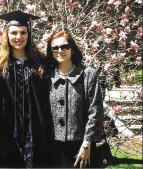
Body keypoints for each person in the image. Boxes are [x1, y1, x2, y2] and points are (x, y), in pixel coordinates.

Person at [0, 10, 52, 168]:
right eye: (14, 33)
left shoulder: (40, 62)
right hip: (7, 132)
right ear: (7, 35)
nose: (18, 37)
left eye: (23, 32)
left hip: (36, 131)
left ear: (28, 34)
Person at [46, 31, 103, 168]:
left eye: (64, 46)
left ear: (72, 48)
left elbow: (95, 110)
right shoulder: (46, 76)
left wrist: (87, 143)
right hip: (53, 147)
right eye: (55, 48)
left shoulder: (88, 74)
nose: (60, 51)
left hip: (81, 146)